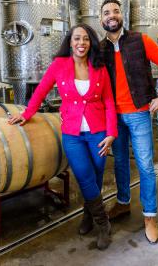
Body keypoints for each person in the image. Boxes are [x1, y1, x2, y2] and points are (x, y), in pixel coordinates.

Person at [8, 23, 118, 250]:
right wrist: (26, 113)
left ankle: (88, 217)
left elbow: (108, 101)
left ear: (91, 43)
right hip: (73, 134)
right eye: (77, 38)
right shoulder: (60, 65)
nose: (81, 43)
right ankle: (103, 223)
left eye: (86, 39)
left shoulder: (99, 66)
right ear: (70, 41)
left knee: (96, 178)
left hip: (98, 133)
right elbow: (41, 90)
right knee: (85, 177)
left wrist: (111, 133)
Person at [100, 0, 158, 244]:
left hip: (138, 113)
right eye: (106, 13)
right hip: (113, 116)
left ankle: (149, 216)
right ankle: (123, 203)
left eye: (115, 11)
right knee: (120, 162)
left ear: (122, 15)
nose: (111, 15)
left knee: (144, 165)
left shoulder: (140, 40)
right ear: (101, 19)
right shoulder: (99, 48)